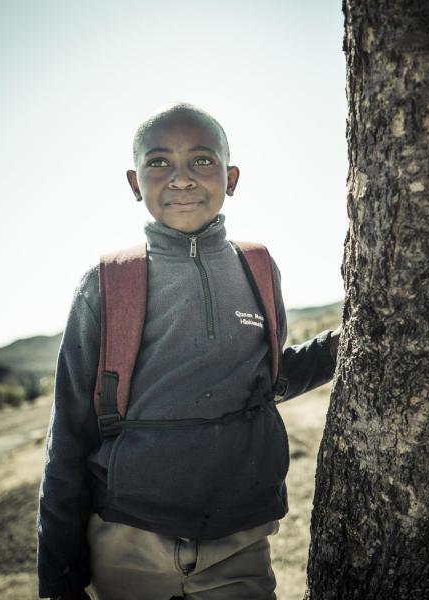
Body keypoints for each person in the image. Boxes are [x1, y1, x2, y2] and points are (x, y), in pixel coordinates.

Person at [37, 103, 339, 600]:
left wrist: (343, 345)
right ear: (135, 183)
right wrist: (60, 577)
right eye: (159, 163)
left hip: (239, 543)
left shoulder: (258, 268)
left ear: (231, 176)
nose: (180, 179)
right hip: (128, 541)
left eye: (201, 160)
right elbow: (69, 434)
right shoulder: (109, 283)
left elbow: (268, 379)